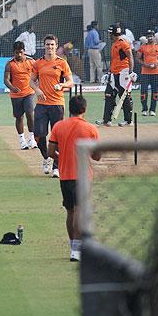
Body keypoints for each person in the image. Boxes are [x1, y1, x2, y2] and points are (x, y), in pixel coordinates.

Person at [48, 95, 101, 261]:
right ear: (84, 110)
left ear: (70, 109)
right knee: (79, 211)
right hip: (83, 176)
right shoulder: (91, 129)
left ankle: (73, 246)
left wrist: (62, 157)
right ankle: (77, 250)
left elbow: (50, 152)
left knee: (70, 211)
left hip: (64, 176)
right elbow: (97, 156)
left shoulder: (58, 126)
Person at [30, 35, 74, 177]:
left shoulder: (62, 63)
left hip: (57, 104)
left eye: (52, 45)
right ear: (44, 46)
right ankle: (47, 158)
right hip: (42, 104)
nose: (50, 47)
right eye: (48, 45)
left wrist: (62, 85)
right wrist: (37, 90)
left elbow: (70, 82)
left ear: (56, 46)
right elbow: (31, 81)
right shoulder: (38, 63)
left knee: (58, 137)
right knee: (38, 134)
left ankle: (56, 166)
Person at [96, 25, 136, 127]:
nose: (109, 35)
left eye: (110, 33)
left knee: (124, 96)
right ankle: (106, 120)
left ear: (112, 34)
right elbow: (114, 60)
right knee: (108, 94)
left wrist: (131, 71)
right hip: (114, 73)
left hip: (123, 72)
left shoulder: (123, 43)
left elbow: (130, 56)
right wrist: (109, 72)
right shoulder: (114, 43)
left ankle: (128, 121)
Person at [4, 41, 38, 150]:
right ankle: (22, 140)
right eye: (16, 53)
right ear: (14, 52)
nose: (19, 55)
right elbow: (6, 80)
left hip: (29, 92)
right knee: (19, 117)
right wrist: (12, 88)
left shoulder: (31, 61)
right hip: (16, 95)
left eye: (21, 52)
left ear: (24, 52)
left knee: (30, 112)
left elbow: (38, 74)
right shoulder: (10, 64)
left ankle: (32, 138)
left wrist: (37, 85)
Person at [136, 30, 158, 116]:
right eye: (148, 36)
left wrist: (157, 63)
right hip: (145, 72)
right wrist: (145, 64)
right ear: (146, 37)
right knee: (143, 91)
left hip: (156, 72)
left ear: (154, 36)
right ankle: (144, 109)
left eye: (151, 35)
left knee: (155, 92)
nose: (150, 37)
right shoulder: (142, 47)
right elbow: (137, 58)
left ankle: (153, 110)